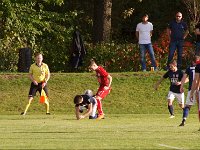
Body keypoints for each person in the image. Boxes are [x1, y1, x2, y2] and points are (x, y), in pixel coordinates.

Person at [179, 57, 197, 126]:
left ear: (192, 62)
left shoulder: (189, 68)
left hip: (191, 90)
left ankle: (184, 119)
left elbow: (184, 78)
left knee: (188, 106)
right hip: (198, 89)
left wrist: (181, 86)